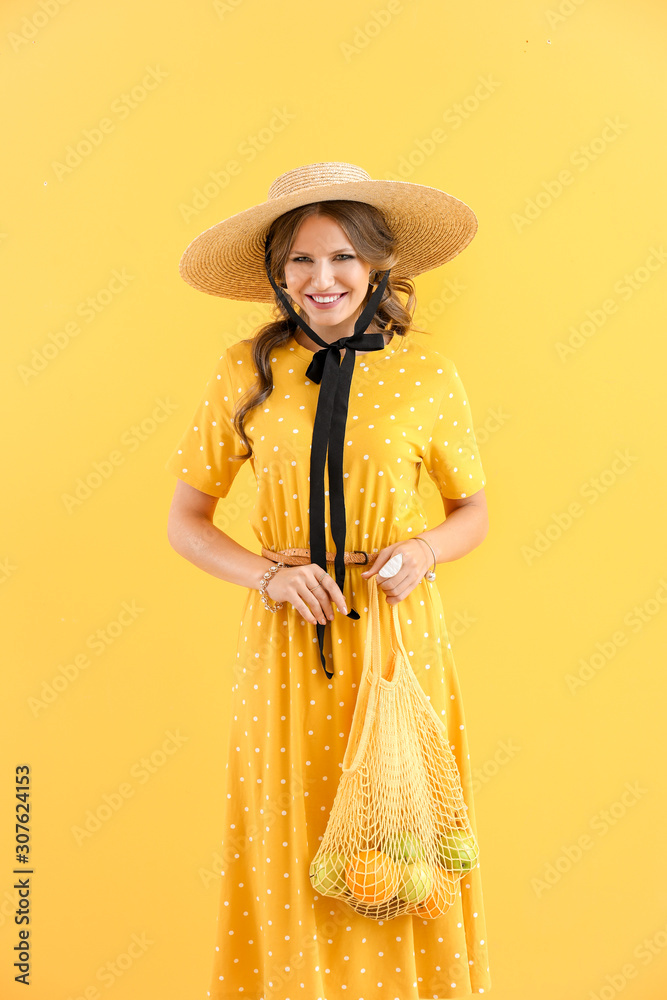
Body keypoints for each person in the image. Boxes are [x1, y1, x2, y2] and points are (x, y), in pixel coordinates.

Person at [165, 161, 492, 999]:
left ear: (378, 265)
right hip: (284, 645)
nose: (322, 280)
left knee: (406, 842)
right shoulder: (245, 370)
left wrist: (424, 549)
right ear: (277, 274)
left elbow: (472, 516)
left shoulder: (430, 376)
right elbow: (186, 524)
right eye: (301, 262)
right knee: (293, 832)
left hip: (396, 640)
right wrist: (266, 580)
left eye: (342, 257)